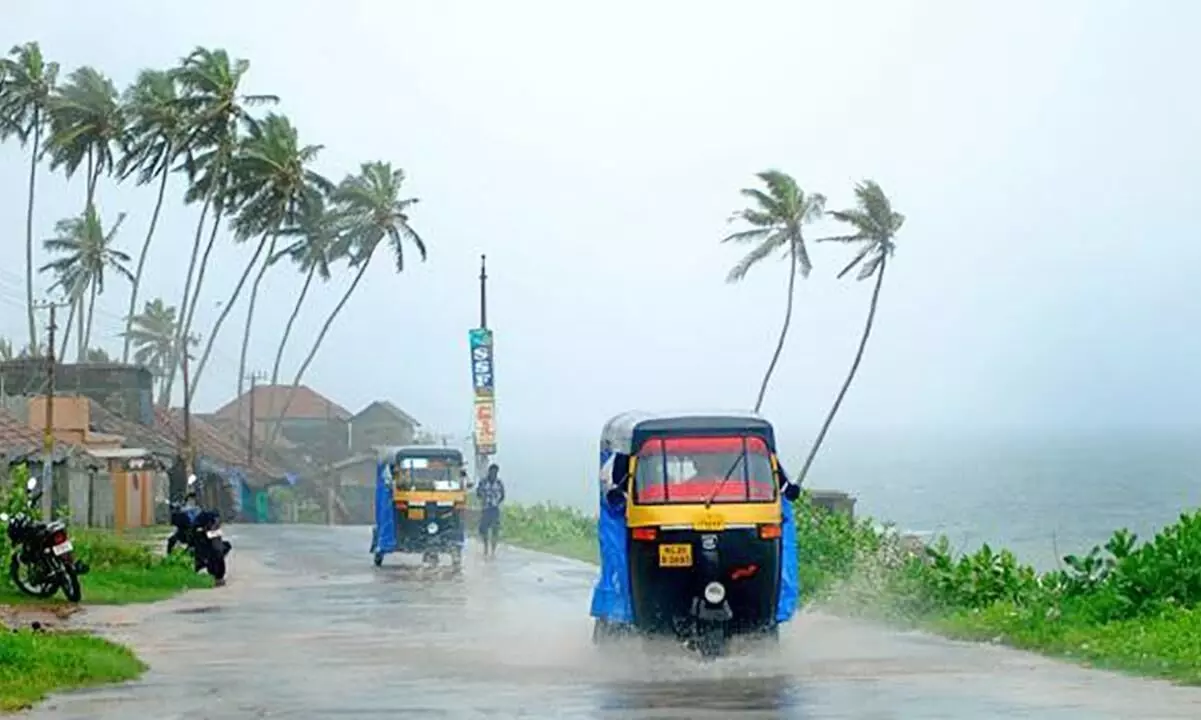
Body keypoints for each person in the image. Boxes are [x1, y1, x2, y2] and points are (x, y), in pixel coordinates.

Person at [476, 463, 506, 558]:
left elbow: (502, 495)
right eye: (492, 472)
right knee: (483, 530)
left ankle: (493, 550)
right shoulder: (483, 482)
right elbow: (478, 493)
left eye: (496, 472)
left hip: (495, 508)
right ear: (489, 472)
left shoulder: (499, 483)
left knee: (495, 530)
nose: (494, 474)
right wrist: (484, 497)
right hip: (486, 509)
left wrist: (496, 501)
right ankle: (486, 547)